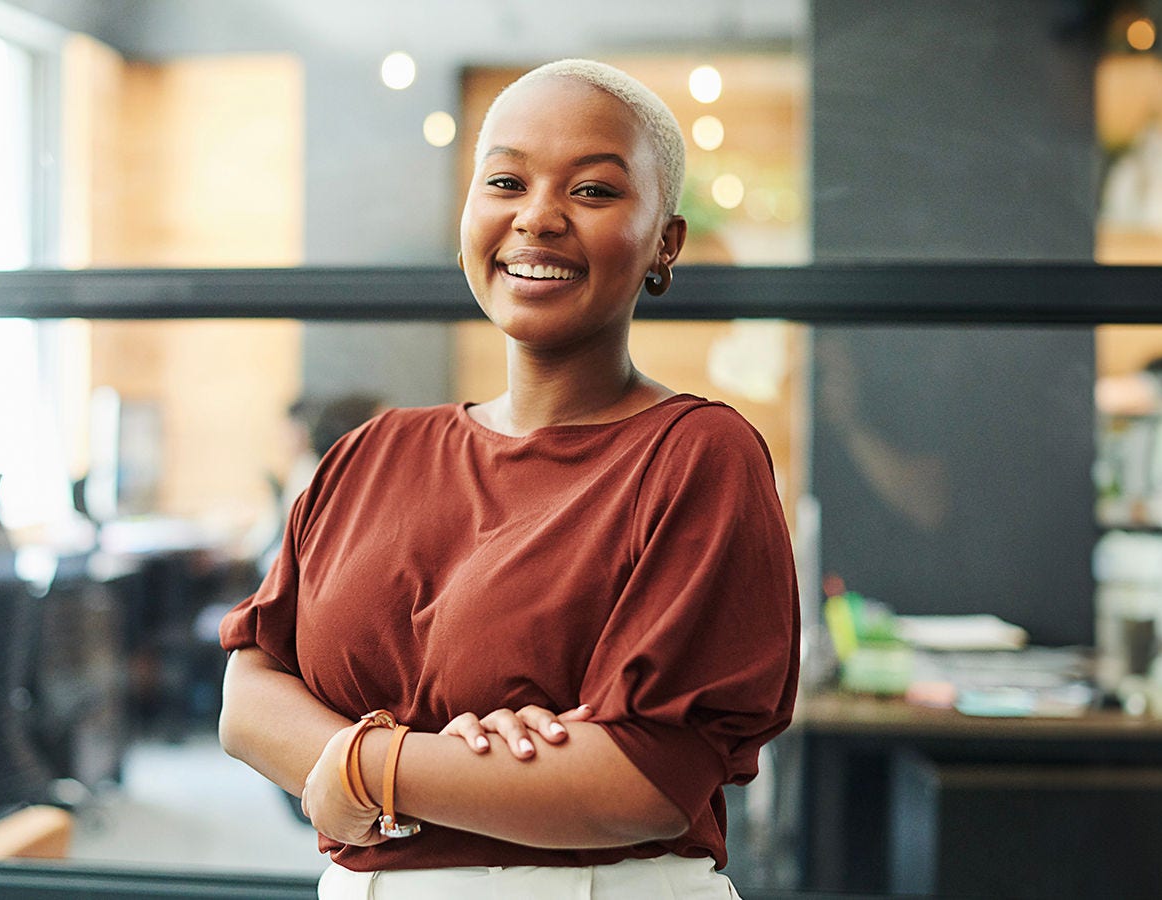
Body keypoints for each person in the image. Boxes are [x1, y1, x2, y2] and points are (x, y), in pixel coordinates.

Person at [218, 59, 798, 898]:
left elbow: (640, 781)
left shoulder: (697, 456)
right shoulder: (370, 453)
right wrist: (435, 764)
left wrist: (362, 763)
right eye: (504, 181)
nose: (538, 218)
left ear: (664, 243)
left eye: (593, 192)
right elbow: (248, 697)